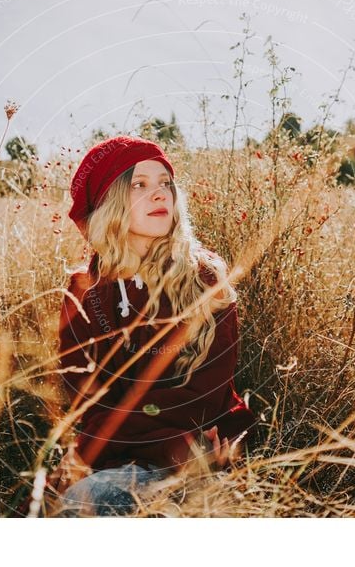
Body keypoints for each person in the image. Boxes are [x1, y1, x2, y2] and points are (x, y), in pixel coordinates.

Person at [50, 135, 256, 517]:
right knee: (83, 506)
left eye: (165, 183)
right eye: (139, 185)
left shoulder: (205, 278)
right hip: (114, 454)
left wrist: (156, 441)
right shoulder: (84, 290)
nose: (160, 195)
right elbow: (85, 396)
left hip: (196, 449)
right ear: (109, 204)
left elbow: (206, 396)